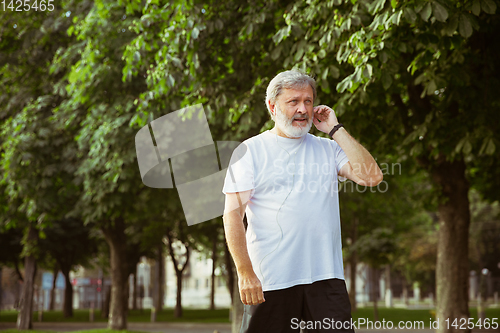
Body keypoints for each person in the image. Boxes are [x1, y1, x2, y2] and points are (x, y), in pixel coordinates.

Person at [222, 70, 383, 332]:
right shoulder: (250, 151)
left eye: (308, 101)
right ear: (273, 106)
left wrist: (335, 129)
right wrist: (245, 272)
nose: (302, 109)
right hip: (270, 281)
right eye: (293, 101)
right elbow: (231, 216)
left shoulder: (328, 149)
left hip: (326, 280)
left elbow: (372, 177)